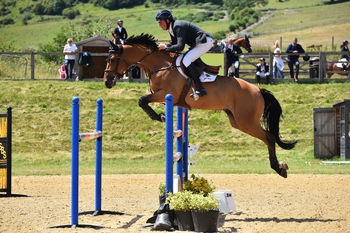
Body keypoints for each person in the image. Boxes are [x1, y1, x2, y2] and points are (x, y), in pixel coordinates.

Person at [156, 9, 213, 98]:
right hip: (199, 43)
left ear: (167, 20)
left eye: (160, 22)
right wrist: (163, 47)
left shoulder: (177, 26)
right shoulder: (171, 28)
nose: (159, 25)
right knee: (183, 58)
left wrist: (166, 47)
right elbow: (174, 44)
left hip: (204, 42)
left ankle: (200, 88)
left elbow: (180, 47)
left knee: (186, 59)